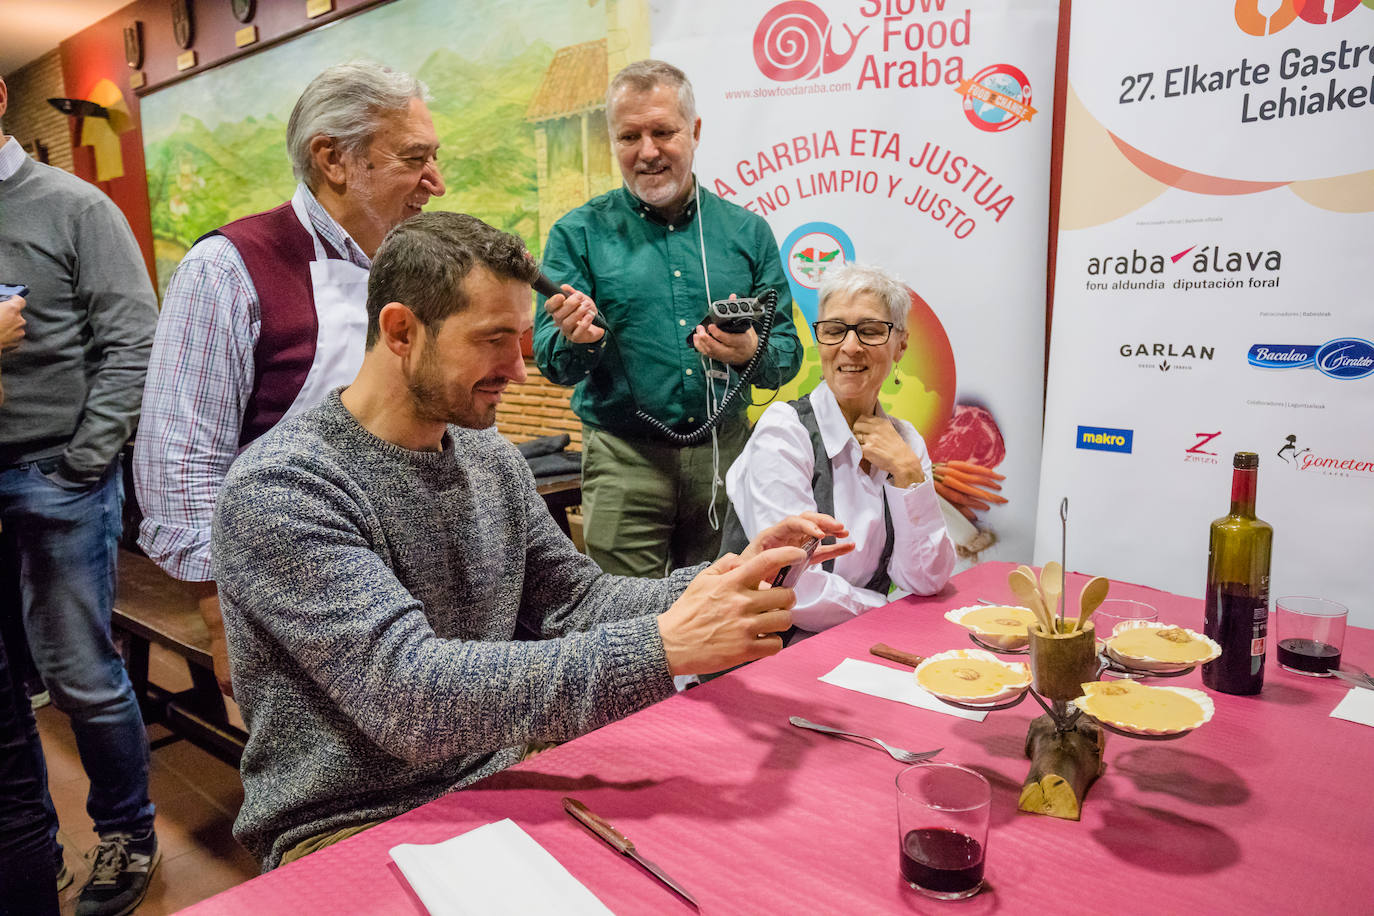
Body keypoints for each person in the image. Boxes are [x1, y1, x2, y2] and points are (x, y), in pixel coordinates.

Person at [212, 212, 846, 870]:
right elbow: (409, 699)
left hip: (498, 773)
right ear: (400, 331)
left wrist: (724, 578)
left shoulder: (488, 456)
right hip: (350, 822)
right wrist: (663, 646)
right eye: (493, 340)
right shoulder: (283, 488)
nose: (519, 371)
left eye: (520, 340)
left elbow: (573, 601)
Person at [134, 61, 446, 695]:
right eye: (415, 159)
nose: (436, 183)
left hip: (416, 571)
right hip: (290, 584)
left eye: (434, 158)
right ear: (333, 159)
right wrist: (220, 619)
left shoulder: (416, 264)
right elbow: (181, 460)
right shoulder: (226, 270)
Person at [534, 60, 801, 578]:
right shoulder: (577, 234)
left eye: (663, 132)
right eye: (629, 136)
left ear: (694, 131)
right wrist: (577, 340)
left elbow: (787, 353)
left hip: (728, 458)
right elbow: (552, 362)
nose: (648, 151)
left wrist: (751, 353)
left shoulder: (747, 233)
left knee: (729, 608)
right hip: (623, 463)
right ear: (612, 141)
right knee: (628, 618)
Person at [0, 77, 161, 916]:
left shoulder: (72, 206)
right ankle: (30, 851)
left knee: (79, 677)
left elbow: (132, 338)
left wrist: (84, 461)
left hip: (54, 474)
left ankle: (128, 832)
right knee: (4, 692)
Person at [723, 263, 955, 639]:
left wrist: (908, 472)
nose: (850, 346)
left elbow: (925, 579)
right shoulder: (784, 431)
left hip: (859, 642)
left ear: (901, 344)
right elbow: (797, 591)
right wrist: (887, 613)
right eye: (834, 330)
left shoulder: (906, 442)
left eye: (870, 330)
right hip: (766, 647)